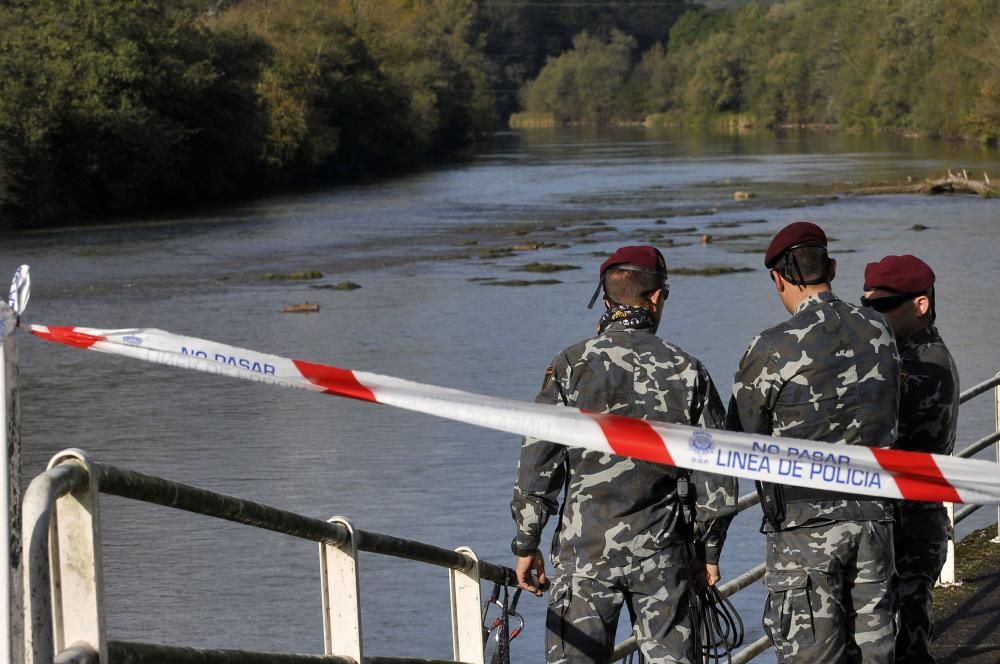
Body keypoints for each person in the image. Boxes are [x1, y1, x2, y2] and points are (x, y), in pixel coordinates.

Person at [510, 245, 738, 663]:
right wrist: (709, 553)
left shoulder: (570, 366)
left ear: (608, 298)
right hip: (663, 556)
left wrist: (527, 543)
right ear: (655, 298)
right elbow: (718, 475)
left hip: (584, 557)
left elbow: (537, 462)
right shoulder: (687, 370)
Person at [728, 221, 901, 663]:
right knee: (877, 652)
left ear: (778, 278)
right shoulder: (879, 329)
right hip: (875, 520)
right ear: (834, 267)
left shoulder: (771, 347)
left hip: (804, 531)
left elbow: (736, 442)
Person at [862, 255, 959, 664]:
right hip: (899, 522)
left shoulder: (923, 366)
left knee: (907, 648)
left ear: (920, 305)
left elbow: (875, 432)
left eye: (884, 305)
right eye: (865, 305)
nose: (872, 314)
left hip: (911, 528)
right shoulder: (900, 356)